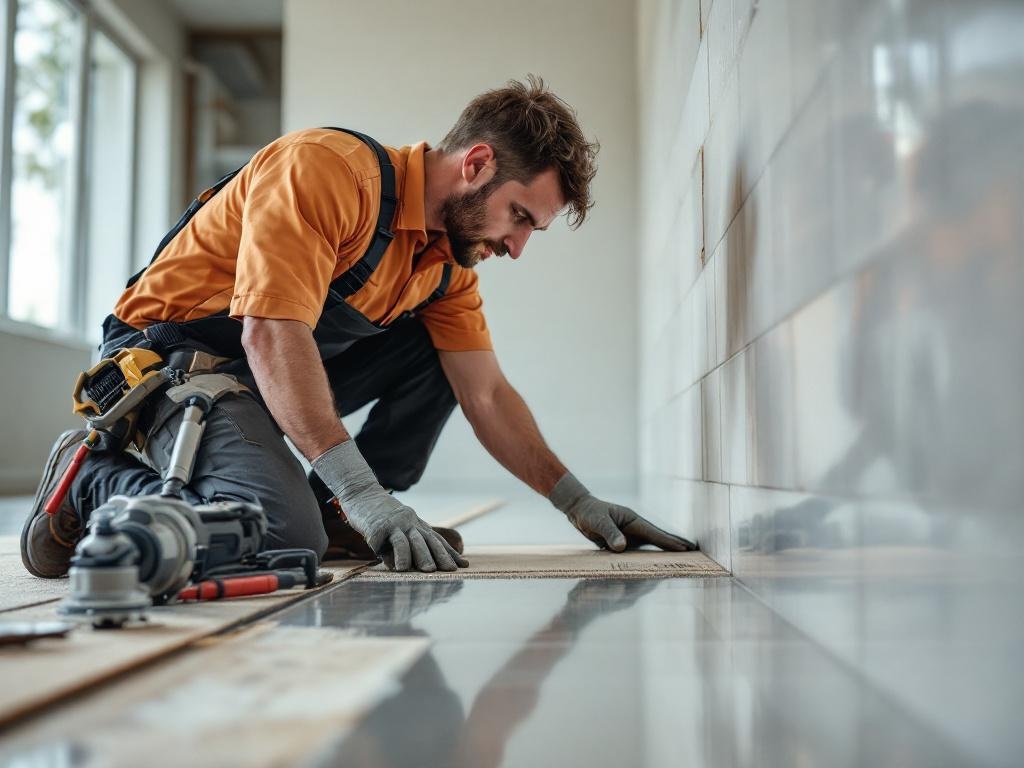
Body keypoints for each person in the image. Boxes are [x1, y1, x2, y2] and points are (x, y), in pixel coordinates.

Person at [21, 75, 696, 576]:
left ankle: (334, 513)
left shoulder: (444, 265)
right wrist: (363, 491)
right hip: (168, 362)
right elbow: (269, 332)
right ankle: (88, 477)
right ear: (478, 164)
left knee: (438, 357)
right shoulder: (327, 172)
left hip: (258, 378)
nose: (517, 247)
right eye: (520, 217)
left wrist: (576, 502)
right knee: (285, 537)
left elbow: (485, 393)